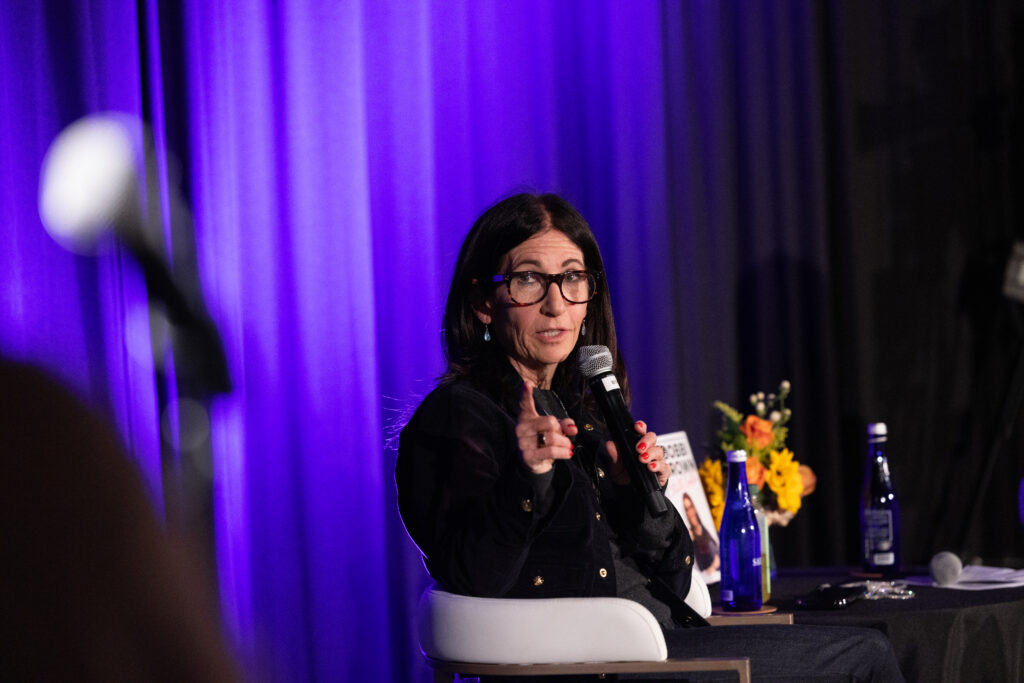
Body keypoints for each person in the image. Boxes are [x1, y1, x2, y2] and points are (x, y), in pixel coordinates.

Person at [396, 193, 904, 681]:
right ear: (484, 302)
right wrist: (526, 480)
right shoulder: (455, 417)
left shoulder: (585, 414)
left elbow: (678, 576)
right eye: (528, 279)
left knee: (875, 637)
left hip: (665, 641)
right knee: (864, 657)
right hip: (600, 665)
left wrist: (636, 495)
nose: (556, 304)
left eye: (572, 278)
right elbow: (471, 578)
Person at [683, 491, 721, 577]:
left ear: (694, 508)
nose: (690, 512)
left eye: (690, 507)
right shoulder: (690, 535)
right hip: (710, 578)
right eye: (687, 509)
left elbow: (718, 548)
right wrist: (714, 565)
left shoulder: (705, 526)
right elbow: (699, 568)